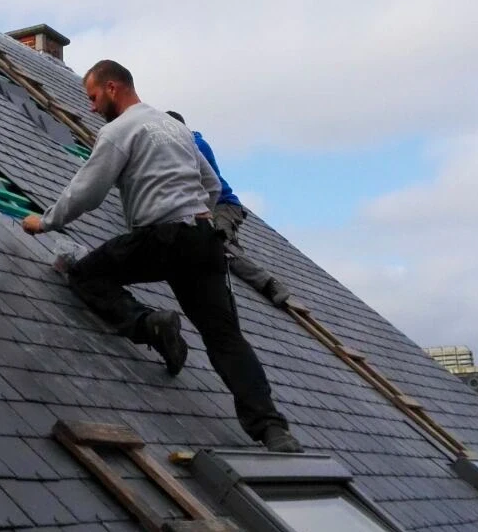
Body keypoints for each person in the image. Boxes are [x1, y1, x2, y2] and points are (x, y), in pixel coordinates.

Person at [22, 60, 302, 453]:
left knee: (86, 275)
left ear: (113, 87)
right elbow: (212, 186)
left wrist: (45, 223)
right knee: (225, 338)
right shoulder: (176, 129)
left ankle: (150, 325)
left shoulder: (118, 131)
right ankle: (274, 430)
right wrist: (193, 212)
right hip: (202, 240)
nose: (90, 107)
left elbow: (87, 192)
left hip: (159, 237)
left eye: (93, 97)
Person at [165, 111, 290, 306]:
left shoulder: (196, 145)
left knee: (222, 247)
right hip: (212, 204)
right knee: (224, 249)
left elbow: (194, 179)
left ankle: (270, 284)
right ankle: (243, 261)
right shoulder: (186, 145)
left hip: (222, 204)